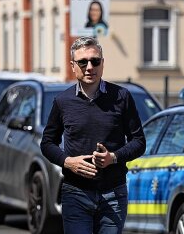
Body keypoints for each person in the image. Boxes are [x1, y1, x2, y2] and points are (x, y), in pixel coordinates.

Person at [40, 36, 146, 234]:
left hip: (113, 192)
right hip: (75, 193)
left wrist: (113, 158)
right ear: (73, 66)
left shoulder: (122, 97)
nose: (90, 67)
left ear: (102, 64)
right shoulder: (63, 101)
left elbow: (139, 142)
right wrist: (67, 161)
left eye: (95, 61)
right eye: (83, 62)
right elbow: (47, 143)